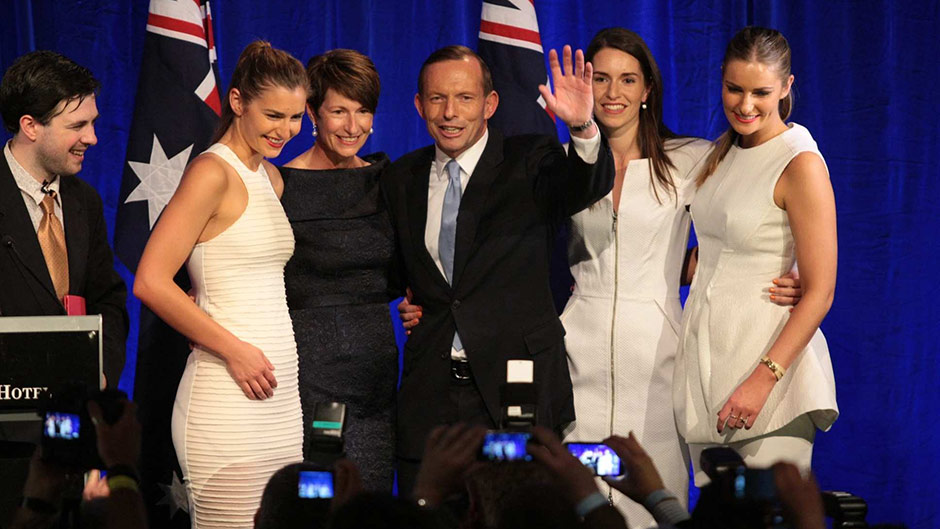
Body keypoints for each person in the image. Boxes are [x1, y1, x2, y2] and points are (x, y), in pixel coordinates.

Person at [381, 44, 615, 494]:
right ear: (418, 105)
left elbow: (585, 184)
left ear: (490, 104)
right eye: (436, 99)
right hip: (430, 395)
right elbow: (401, 272)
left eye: (465, 98)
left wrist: (583, 127)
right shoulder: (402, 177)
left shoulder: (528, 160)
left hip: (515, 389)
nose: (450, 112)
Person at [133, 41, 308, 527]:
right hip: (225, 395)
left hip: (279, 398)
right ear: (237, 103)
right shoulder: (212, 172)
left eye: (296, 117)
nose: (286, 130)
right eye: (274, 115)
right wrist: (233, 349)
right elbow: (150, 280)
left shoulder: (270, 177)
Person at [673, 26, 839, 485]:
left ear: (786, 87)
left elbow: (820, 292)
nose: (745, 105)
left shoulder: (799, 161)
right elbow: (711, 257)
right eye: (734, 89)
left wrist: (762, 381)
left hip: (767, 375)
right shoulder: (723, 154)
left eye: (761, 92)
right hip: (707, 367)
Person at [279, 49, 397, 491]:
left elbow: (406, 267)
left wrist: (414, 301)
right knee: (317, 500)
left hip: (376, 376)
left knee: (370, 503)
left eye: (363, 111)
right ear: (312, 112)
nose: (353, 127)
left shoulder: (386, 180)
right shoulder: (279, 185)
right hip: (308, 372)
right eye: (339, 111)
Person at [0, 50, 128, 387]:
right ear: (31, 126)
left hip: (70, 414)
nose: (92, 138)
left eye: (93, 122)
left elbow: (107, 299)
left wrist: (102, 372)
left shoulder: (84, 201)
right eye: (77, 126)